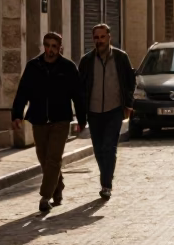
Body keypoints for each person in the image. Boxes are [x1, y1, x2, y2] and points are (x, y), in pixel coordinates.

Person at [11, 32, 86, 214]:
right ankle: (57, 187)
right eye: (47, 45)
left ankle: (45, 197)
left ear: (60, 48)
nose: (50, 50)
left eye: (54, 46)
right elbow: (23, 92)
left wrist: (82, 118)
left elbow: (78, 95)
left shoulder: (68, 68)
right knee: (44, 159)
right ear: (43, 46)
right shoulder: (33, 66)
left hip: (61, 119)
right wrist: (17, 115)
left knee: (53, 158)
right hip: (39, 119)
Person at [78, 24, 136, 201]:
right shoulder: (86, 61)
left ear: (109, 37)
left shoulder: (120, 57)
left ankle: (106, 185)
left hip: (114, 110)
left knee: (109, 147)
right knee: (98, 149)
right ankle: (107, 176)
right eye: (96, 37)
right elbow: (80, 88)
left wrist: (128, 104)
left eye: (103, 37)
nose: (99, 41)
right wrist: (81, 115)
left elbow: (130, 81)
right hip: (94, 112)